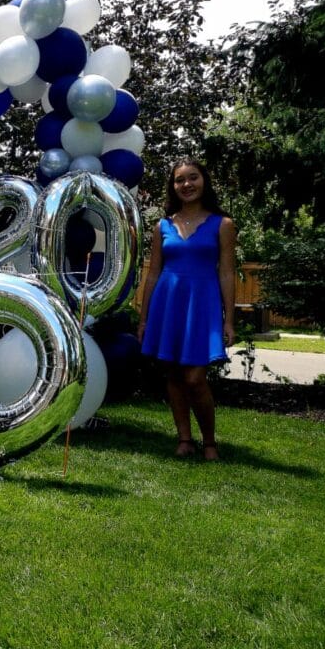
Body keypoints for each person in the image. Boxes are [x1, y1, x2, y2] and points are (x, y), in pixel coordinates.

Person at [138, 159, 236, 461]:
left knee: (195, 377)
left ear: (204, 181)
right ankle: (184, 438)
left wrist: (229, 320)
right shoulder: (162, 225)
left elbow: (227, 273)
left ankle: (209, 441)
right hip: (168, 303)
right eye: (180, 180)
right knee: (174, 374)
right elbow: (153, 272)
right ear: (173, 186)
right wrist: (144, 317)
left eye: (193, 178)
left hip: (202, 304)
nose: (187, 184)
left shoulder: (223, 224)